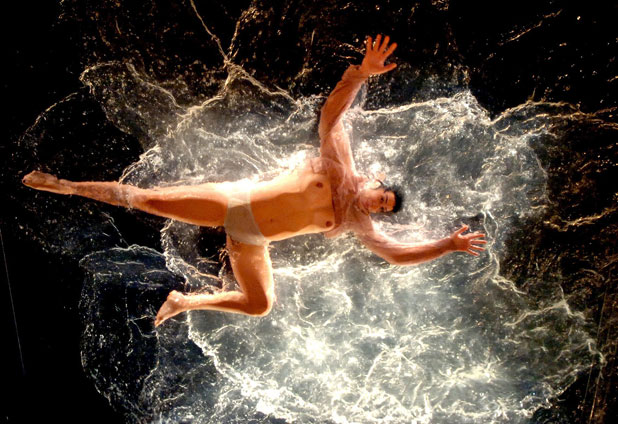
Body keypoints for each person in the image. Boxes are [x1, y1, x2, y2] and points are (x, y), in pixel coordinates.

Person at [22, 35, 486, 326]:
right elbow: (331, 117)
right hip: (232, 202)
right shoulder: (338, 170)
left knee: (259, 305)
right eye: (380, 198)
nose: (373, 206)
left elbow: (396, 254)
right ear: (374, 181)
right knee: (145, 200)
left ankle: (184, 301)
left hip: (250, 239)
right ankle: (67, 184)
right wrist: (358, 74)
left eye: (380, 210)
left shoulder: (354, 224)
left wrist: (445, 246)